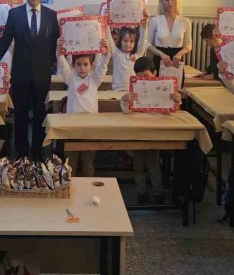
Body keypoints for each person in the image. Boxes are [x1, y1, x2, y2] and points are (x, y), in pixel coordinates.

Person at [0, 0, 60, 159]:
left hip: (42, 74)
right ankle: (22, 153)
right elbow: (5, 41)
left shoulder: (51, 15)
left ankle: (38, 152)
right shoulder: (14, 14)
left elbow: (56, 43)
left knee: (40, 114)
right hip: (20, 74)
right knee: (21, 115)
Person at [120, 57, 182, 204]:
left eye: (146, 76)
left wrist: (177, 100)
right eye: (139, 77)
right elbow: (126, 111)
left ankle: (157, 192)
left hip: (154, 134)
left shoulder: (163, 87)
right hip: (138, 134)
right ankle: (141, 192)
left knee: (154, 166)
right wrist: (124, 99)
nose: (143, 80)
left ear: (154, 74)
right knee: (138, 167)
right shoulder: (135, 91)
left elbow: (173, 110)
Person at [57, 36, 110, 177]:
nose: (82, 68)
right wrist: (59, 49)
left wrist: (106, 51)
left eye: (86, 64)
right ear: (73, 65)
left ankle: (89, 186)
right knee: (70, 163)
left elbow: (104, 64)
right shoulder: (70, 78)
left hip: (89, 127)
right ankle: (69, 185)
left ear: (91, 66)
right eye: (78, 64)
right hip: (72, 126)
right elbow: (62, 62)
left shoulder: (94, 79)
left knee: (88, 162)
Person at [147, 0, 192, 76]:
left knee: (177, 85)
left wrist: (180, 53)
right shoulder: (155, 21)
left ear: (177, 0)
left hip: (176, 62)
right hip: (159, 60)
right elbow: (148, 44)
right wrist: (161, 54)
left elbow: (188, 45)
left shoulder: (185, 21)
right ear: (161, 1)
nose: (170, 2)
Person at [106, 23, 147, 91]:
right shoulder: (116, 54)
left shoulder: (137, 55)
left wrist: (144, 27)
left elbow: (143, 40)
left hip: (133, 90)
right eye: (125, 40)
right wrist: (106, 24)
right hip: (117, 91)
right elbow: (109, 38)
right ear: (120, 40)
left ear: (135, 43)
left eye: (131, 41)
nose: (128, 44)